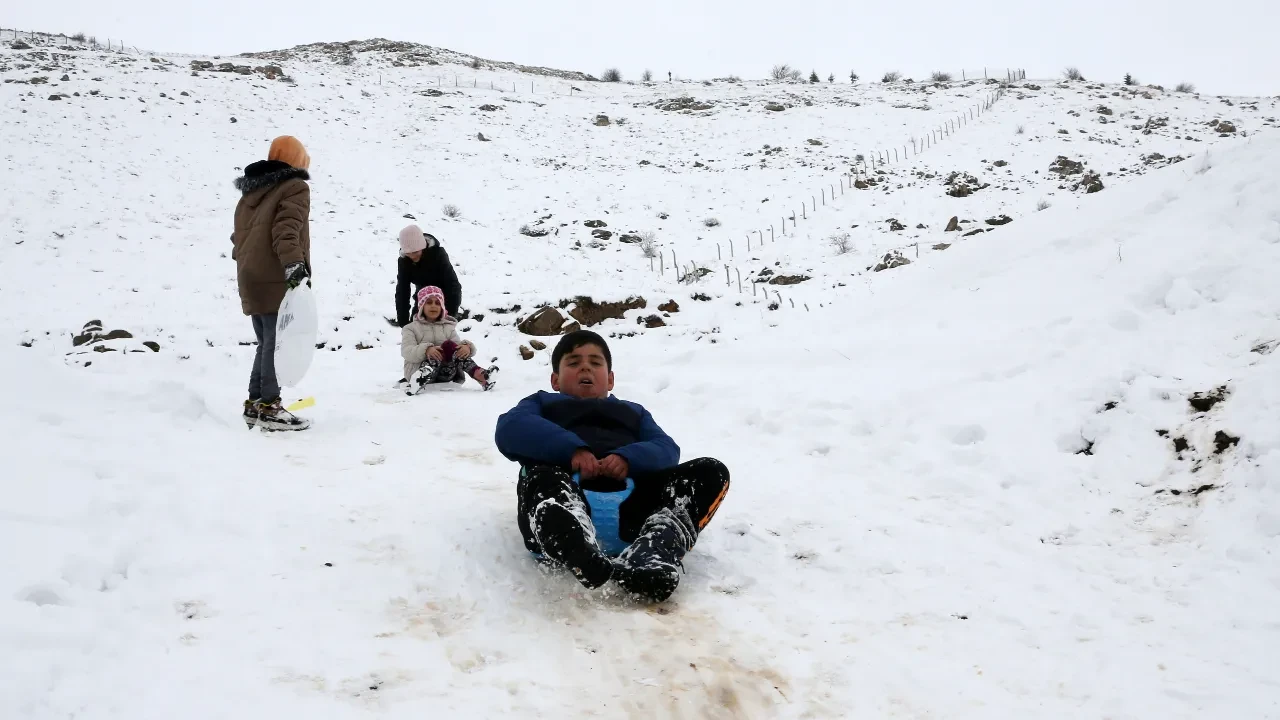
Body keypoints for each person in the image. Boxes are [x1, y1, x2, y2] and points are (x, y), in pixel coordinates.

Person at [493, 330, 730, 602]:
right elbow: (511, 428)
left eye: (595, 363)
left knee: (711, 472)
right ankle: (572, 539)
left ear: (610, 379)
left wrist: (628, 458)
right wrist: (573, 450)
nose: (585, 367)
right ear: (555, 380)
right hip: (564, 497)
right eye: (573, 362)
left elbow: (666, 449)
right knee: (541, 475)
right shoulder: (542, 404)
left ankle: (656, 546)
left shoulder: (634, 412)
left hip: (634, 513)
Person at [231, 135, 313, 431]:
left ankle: (255, 403)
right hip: (276, 273)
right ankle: (269, 406)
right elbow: (286, 229)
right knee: (276, 343)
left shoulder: (251, 193)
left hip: (250, 275)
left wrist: (246, 259)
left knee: (266, 342)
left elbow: (238, 237)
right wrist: (294, 265)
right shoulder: (295, 187)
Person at [401, 286, 496, 392]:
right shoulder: (411, 328)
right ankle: (418, 380)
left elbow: (456, 348)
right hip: (421, 371)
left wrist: (467, 348)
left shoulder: (448, 327)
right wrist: (426, 350)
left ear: (442, 307)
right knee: (435, 353)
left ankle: (481, 376)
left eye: (437, 303)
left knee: (450, 346)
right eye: (429, 302)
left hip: (446, 373)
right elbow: (406, 351)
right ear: (421, 306)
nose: (433, 306)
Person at [395, 224, 461, 327]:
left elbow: (453, 286)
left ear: (423, 246)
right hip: (421, 300)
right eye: (408, 253)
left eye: (415, 252)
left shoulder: (438, 255)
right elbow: (402, 291)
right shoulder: (404, 261)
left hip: (442, 301)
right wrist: (404, 323)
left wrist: (449, 316)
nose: (412, 256)